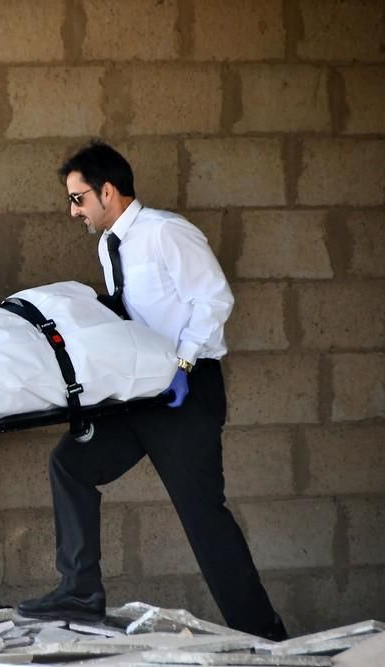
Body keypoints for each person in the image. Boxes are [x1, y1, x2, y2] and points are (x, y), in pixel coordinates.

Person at [15, 141, 288, 641]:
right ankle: (79, 591)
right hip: (140, 392)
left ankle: (266, 636)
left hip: (185, 391)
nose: (73, 210)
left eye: (78, 198)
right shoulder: (108, 245)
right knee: (70, 463)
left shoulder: (166, 233)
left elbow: (213, 298)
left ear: (108, 191)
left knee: (203, 519)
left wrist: (184, 362)